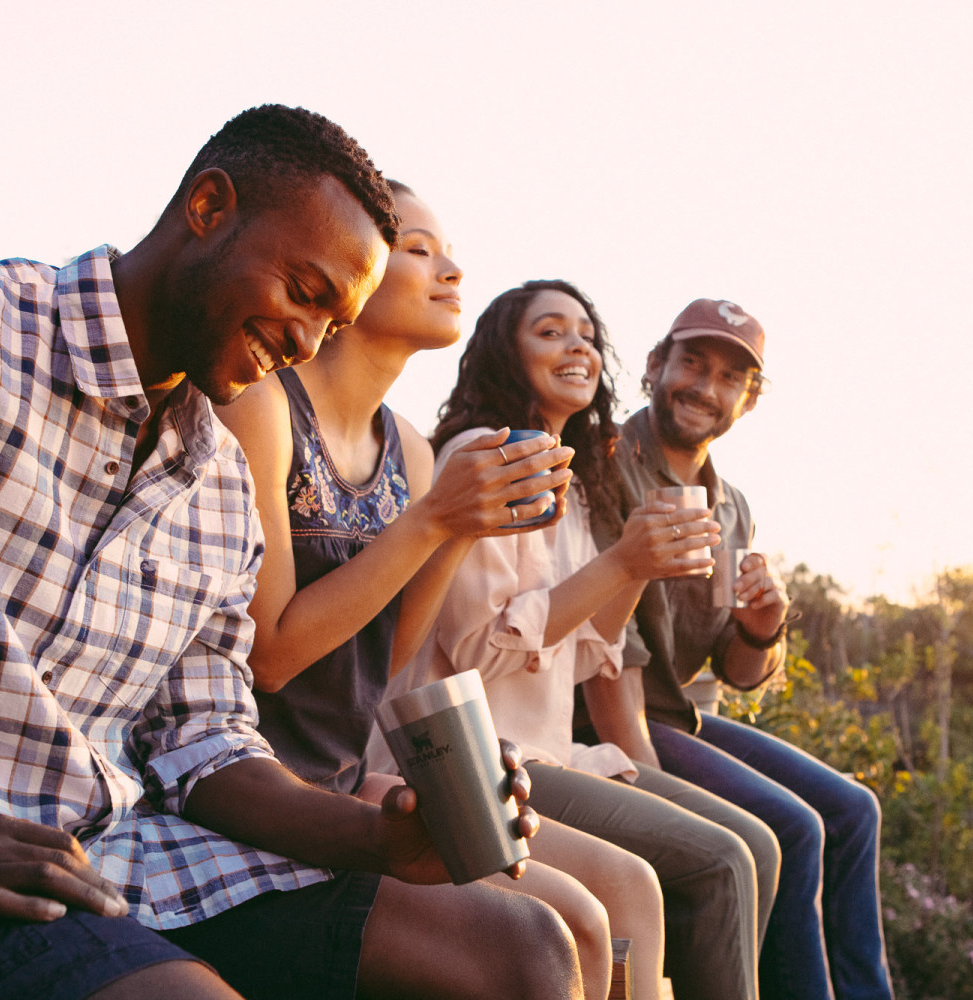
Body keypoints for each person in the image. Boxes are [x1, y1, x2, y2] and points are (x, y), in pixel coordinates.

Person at [0, 104, 581, 1000]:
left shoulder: (220, 484)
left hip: (103, 857)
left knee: (520, 949)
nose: (308, 342)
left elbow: (205, 744)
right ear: (207, 207)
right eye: (305, 292)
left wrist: (381, 836)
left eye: (334, 325)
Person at [217, 181, 662, 1000]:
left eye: (446, 250)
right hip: (257, 785)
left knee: (600, 917)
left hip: (347, 773)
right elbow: (271, 656)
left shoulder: (413, 451)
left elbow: (389, 656)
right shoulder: (266, 407)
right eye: (419, 250)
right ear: (353, 267)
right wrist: (432, 521)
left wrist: (458, 525)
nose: (452, 270)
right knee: (541, 942)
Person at [378, 279, 783, 1000]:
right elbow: (478, 647)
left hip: (553, 748)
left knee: (759, 843)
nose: (577, 347)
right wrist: (624, 562)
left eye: (587, 336)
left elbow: (594, 645)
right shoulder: (484, 456)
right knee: (720, 858)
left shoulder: (579, 482)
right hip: (478, 751)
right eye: (550, 332)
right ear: (508, 352)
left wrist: (633, 566)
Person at [582, 298, 894, 1000]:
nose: (705, 387)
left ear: (748, 402)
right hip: (601, 711)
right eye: (692, 362)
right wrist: (645, 779)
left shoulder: (731, 506)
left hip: (680, 711)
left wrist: (763, 626)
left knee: (854, 810)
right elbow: (608, 658)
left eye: (730, 377)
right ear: (657, 365)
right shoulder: (607, 466)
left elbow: (737, 670)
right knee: (794, 827)